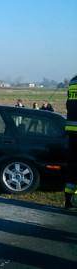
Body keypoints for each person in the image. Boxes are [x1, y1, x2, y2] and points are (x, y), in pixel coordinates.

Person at [64, 75, 77, 209]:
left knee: (73, 166)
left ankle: (68, 200)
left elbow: (69, 104)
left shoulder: (73, 80)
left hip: (72, 130)